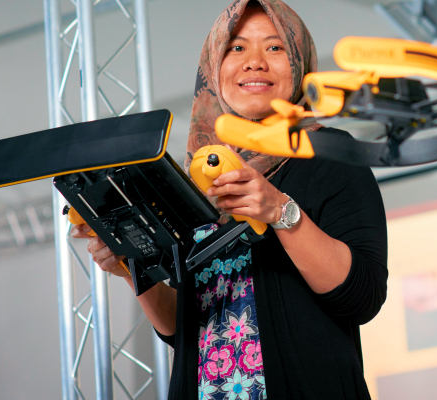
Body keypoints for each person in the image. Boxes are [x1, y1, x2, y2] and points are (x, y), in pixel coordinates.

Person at [73, 1, 388, 398]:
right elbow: (181, 328)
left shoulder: (331, 156)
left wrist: (281, 212)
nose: (254, 62)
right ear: (213, 67)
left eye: (275, 47)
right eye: (236, 48)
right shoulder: (192, 179)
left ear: (300, 63)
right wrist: (130, 267)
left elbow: (362, 298)